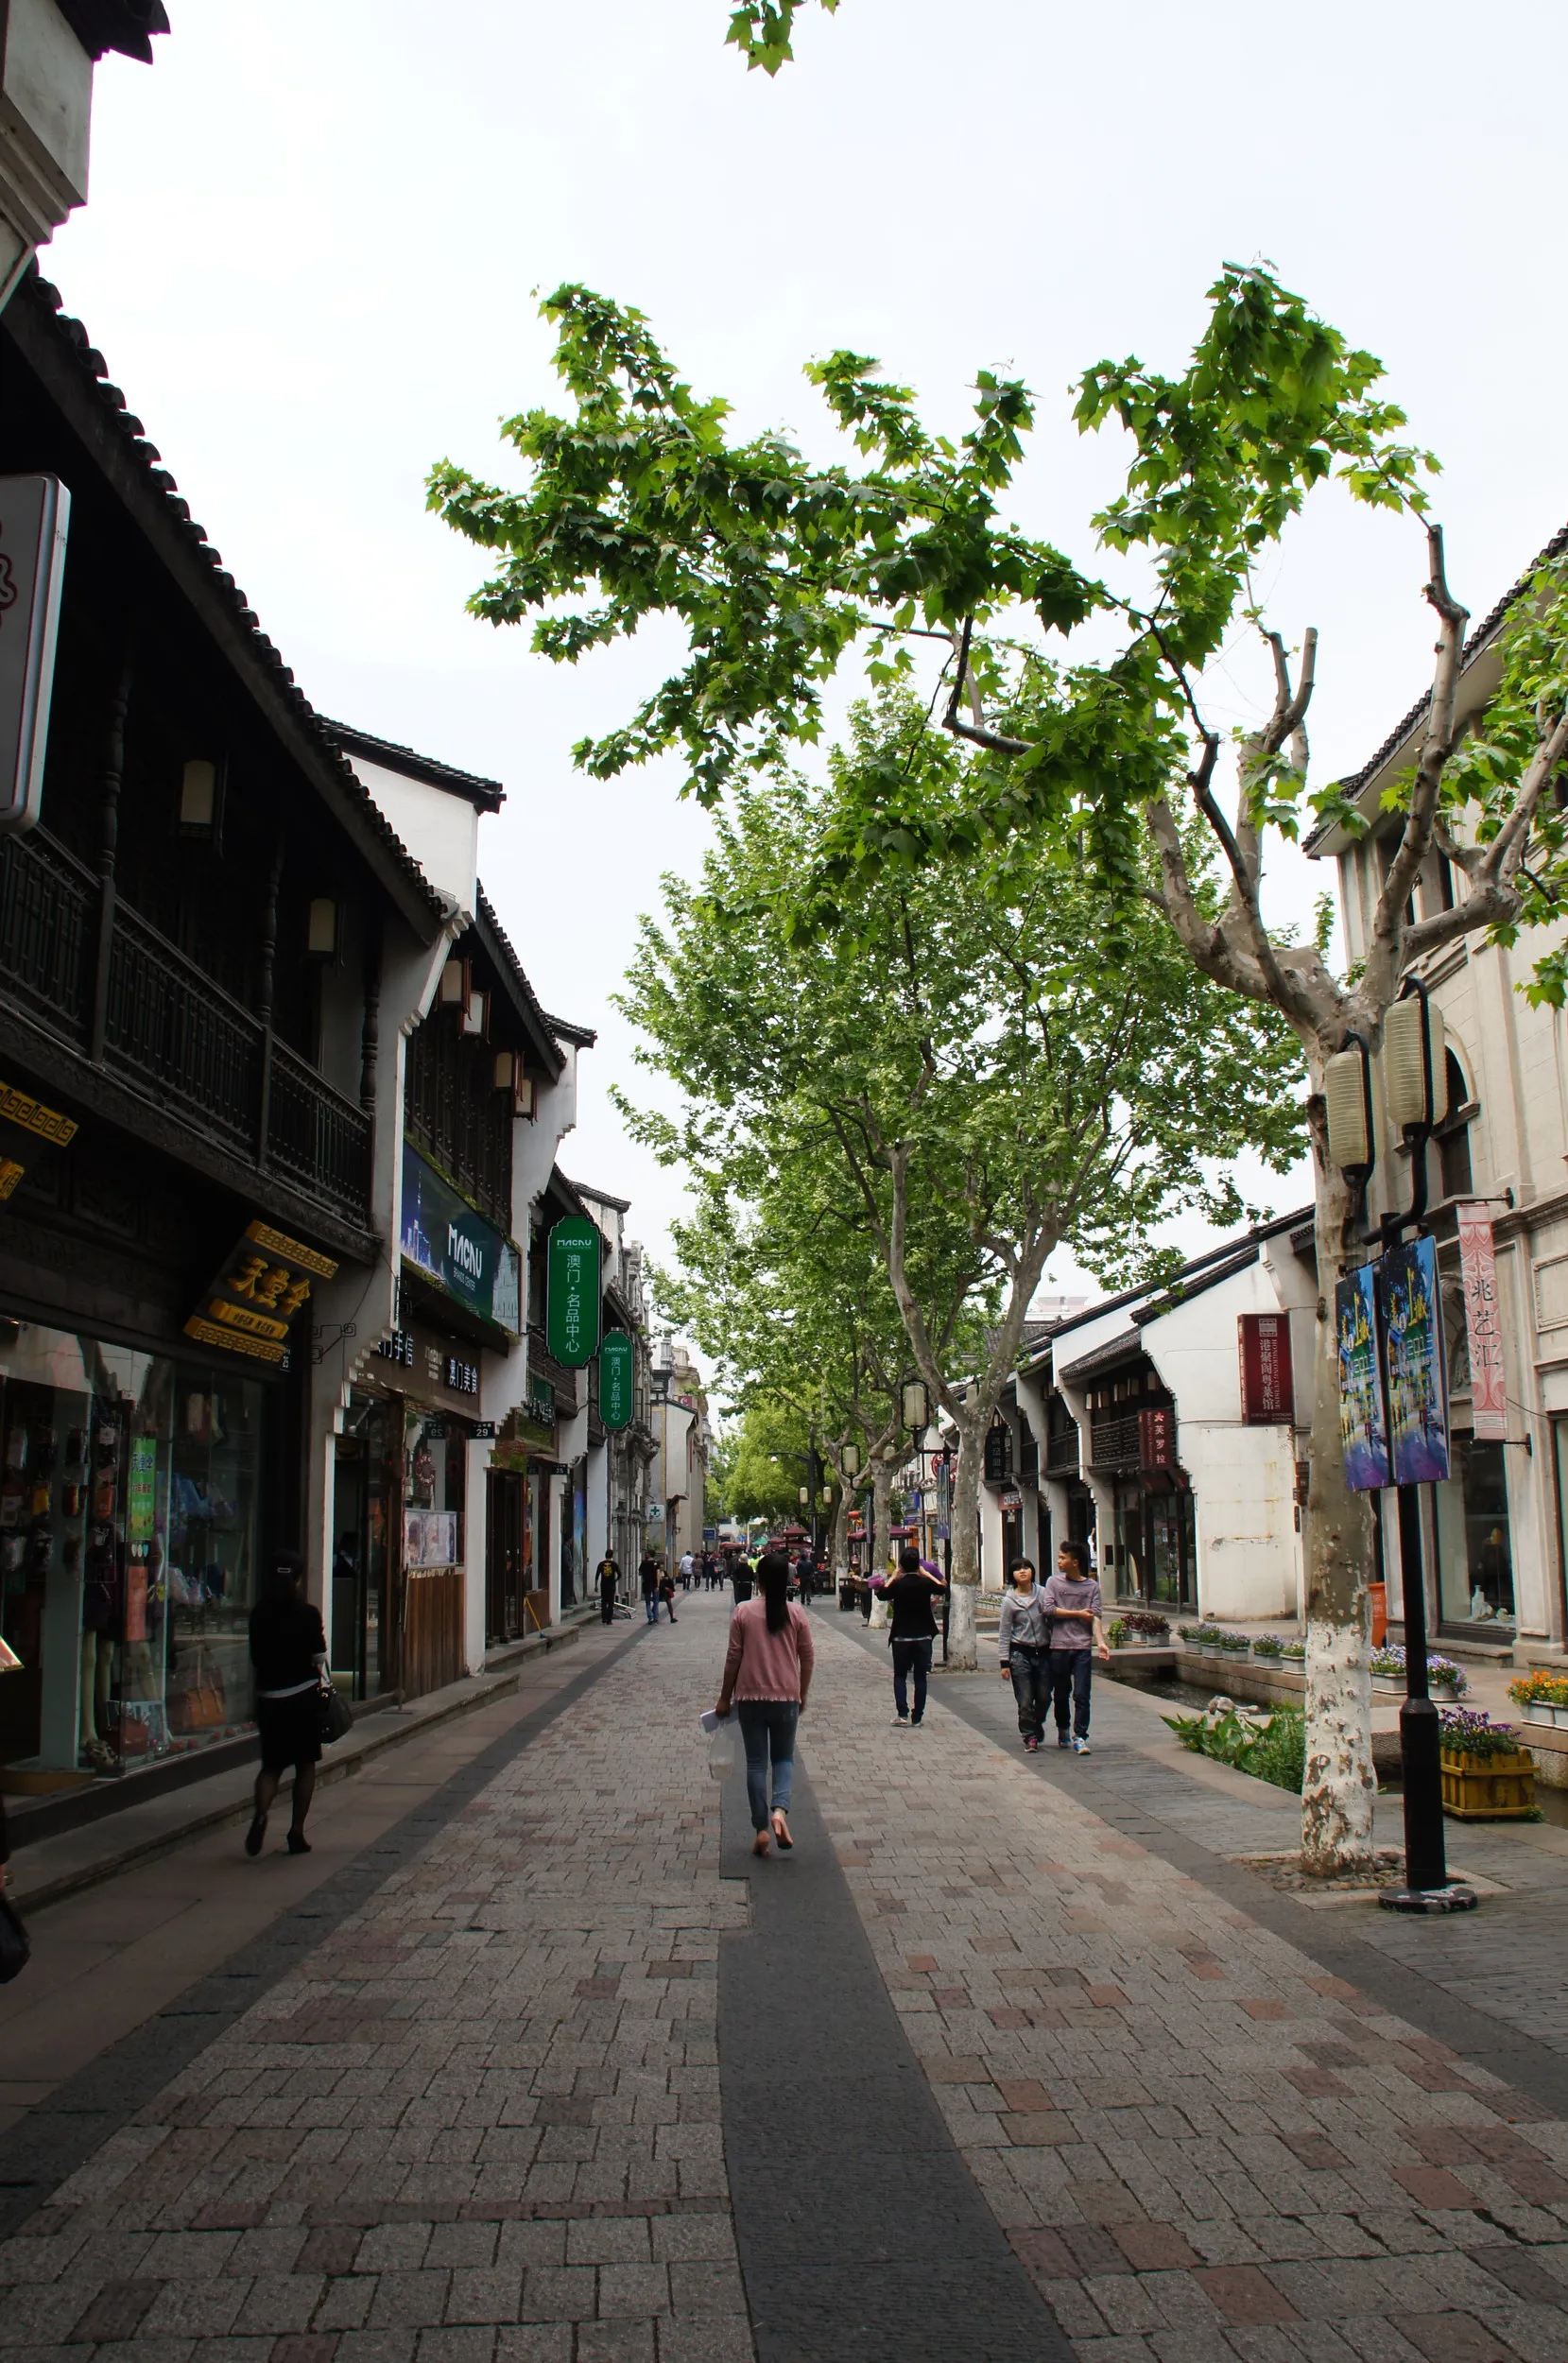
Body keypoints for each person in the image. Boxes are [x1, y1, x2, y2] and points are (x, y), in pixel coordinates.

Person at [715, 1549, 815, 1855]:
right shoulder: (796, 1613)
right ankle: (779, 1812)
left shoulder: (743, 1611)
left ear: (757, 1580)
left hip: (750, 1697)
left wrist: (724, 1696)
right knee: (783, 1759)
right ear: (787, 1580)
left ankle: (761, 1828)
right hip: (786, 1696)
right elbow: (807, 1657)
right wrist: (802, 1693)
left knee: (756, 1763)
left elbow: (734, 1657)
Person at [245, 1550, 327, 1857]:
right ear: (297, 1580)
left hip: (270, 1698)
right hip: (303, 1698)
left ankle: (262, 1813)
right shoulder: (307, 1613)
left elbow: (255, 1658)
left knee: (271, 1767)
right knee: (305, 1765)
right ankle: (296, 1831)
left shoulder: (259, 1613)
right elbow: (319, 1657)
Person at [1042, 1538, 1110, 1753]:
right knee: (1061, 1693)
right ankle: (1063, 1729)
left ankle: (1080, 1735)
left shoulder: (1092, 1587)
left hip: (1082, 1647)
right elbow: (1049, 1610)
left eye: (1063, 1558)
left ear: (1075, 1561)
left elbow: (1096, 1616)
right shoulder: (1053, 1582)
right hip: (1059, 1646)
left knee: (1082, 1693)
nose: (1059, 1561)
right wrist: (1078, 1614)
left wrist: (1101, 1643)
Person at [882, 1544, 945, 1726]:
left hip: (901, 1636)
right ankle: (917, 1717)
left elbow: (881, 1594)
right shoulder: (925, 1583)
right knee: (920, 1677)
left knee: (900, 1675)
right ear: (918, 1564)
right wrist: (926, 1574)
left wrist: (893, 1576)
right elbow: (942, 1588)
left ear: (900, 1564)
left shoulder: (898, 1584)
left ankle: (902, 1714)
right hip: (923, 1636)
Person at [997, 1556, 1052, 1751]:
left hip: (1044, 1652)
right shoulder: (1009, 1601)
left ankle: (1036, 1724)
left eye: (1026, 1567)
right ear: (1012, 1575)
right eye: (1018, 1569)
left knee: (1045, 1696)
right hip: (1020, 1653)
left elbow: (1053, 1618)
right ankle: (1029, 1736)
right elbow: (1004, 1632)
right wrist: (1004, 1662)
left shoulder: (1044, 1594)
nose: (1023, 1571)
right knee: (1025, 1699)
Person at [596, 1551, 619, 1625]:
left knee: (604, 1602)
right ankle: (609, 1620)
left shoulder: (601, 1564)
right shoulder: (614, 1564)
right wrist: (615, 1580)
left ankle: (604, 1618)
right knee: (610, 1603)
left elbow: (597, 1575)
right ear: (612, 1556)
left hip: (603, 1585)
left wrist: (595, 1585)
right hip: (611, 1585)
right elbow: (620, 1574)